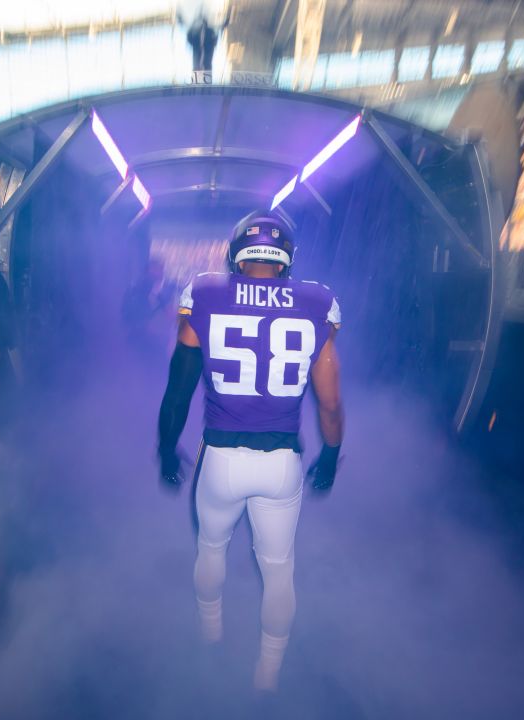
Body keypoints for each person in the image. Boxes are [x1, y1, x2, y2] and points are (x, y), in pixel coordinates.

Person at [156, 210, 344, 691]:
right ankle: (268, 675)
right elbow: (329, 402)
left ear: (236, 253)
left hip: (220, 457)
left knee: (211, 548)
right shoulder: (316, 302)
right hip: (282, 462)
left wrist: (164, 448)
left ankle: (210, 635)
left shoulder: (206, 292)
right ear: (286, 260)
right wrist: (329, 458)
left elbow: (178, 391)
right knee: (279, 570)